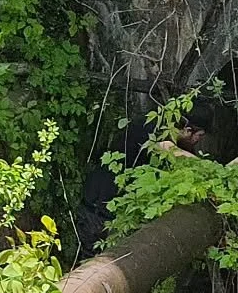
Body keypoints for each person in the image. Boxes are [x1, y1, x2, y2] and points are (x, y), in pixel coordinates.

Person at [70, 99, 215, 261]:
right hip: (99, 211)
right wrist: (216, 172)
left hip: (108, 207)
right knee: (93, 265)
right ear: (187, 130)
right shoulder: (154, 131)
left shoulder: (156, 122)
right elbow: (168, 149)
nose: (198, 141)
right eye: (199, 136)